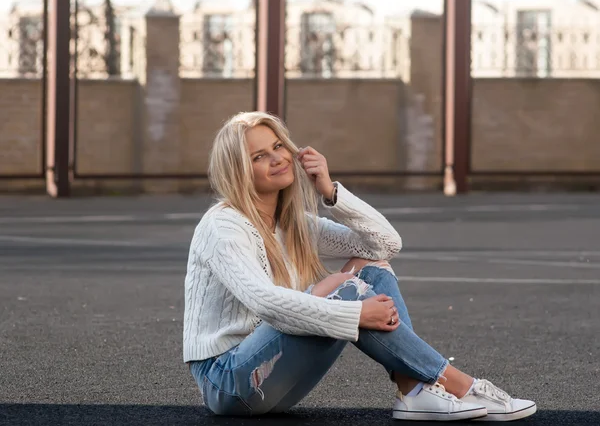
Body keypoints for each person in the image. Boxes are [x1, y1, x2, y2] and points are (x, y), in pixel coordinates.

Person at [183, 111, 536, 421]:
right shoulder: (223, 226)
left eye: (278, 146)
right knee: (346, 287)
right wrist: (353, 313)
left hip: (274, 376)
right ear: (239, 170)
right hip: (231, 383)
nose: (277, 158)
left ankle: (414, 389)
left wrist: (331, 192)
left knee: (370, 266)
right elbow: (265, 303)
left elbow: (383, 244)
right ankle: (456, 384)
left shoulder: (293, 223)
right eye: (260, 155)